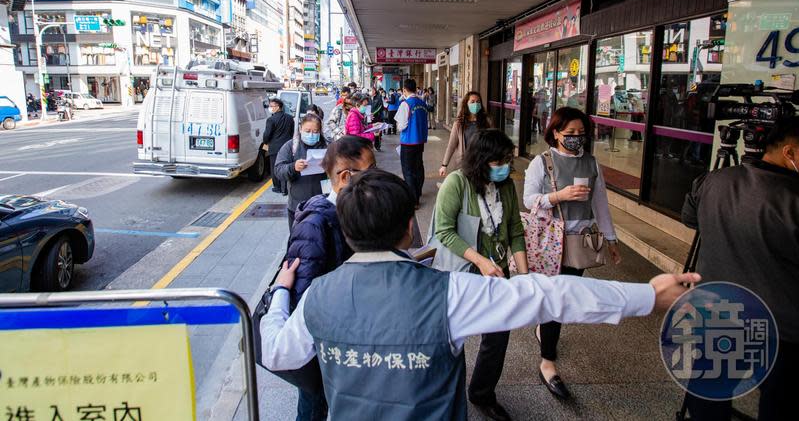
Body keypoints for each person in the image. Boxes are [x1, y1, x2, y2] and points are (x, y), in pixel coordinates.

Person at [261, 169, 701, 420]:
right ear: (408, 228)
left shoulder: (317, 296)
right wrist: (647, 296)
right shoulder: (449, 293)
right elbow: (549, 295)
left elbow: (278, 352)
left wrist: (282, 295)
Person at [681, 115, 799, 421]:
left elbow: (690, 218)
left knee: (709, 390)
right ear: (790, 152)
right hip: (782, 327)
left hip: (718, 310)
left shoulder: (714, 180)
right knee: (780, 402)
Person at [522, 106, 621, 399]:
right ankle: (548, 362)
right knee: (557, 301)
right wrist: (558, 196)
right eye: (570, 134)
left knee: (562, 300)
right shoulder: (543, 163)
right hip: (551, 241)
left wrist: (611, 240)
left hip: (580, 244)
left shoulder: (592, 164)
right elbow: (529, 200)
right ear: (555, 133)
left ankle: (545, 331)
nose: (576, 138)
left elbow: (600, 204)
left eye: (581, 134)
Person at [435, 129, 528, 420]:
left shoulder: (507, 187)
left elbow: (515, 230)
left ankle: (482, 393)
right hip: (462, 272)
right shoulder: (457, 183)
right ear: (480, 159)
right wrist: (480, 261)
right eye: (497, 161)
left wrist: (524, 276)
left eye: (507, 161)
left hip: (498, 275)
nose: (504, 167)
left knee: (498, 337)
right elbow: (444, 231)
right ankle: (445, 394)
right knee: (453, 337)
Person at [283, 135, 376, 421]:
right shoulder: (316, 223)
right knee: (313, 407)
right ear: (346, 176)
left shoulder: (354, 211)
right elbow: (304, 297)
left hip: (348, 333)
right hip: (322, 344)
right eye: (370, 170)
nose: (376, 177)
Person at [274, 114, 328, 231]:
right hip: (297, 206)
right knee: (298, 239)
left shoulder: (328, 146)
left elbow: (340, 170)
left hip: (322, 204)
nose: (311, 134)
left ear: (320, 131)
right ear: (300, 129)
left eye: (315, 131)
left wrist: (330, 165)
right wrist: (294, 167)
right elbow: (278, 170)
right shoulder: (291, 146)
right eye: (308, 131)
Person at [440, 91, 491, 177]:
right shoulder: (459, 124)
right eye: (472, 102)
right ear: (466, 104)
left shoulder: (487, 122)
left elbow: (491, 144)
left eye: (478, 102)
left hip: (482, 163)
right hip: (464, 164)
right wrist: (444, 165)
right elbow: (451, 145)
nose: (476, 104)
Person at [395, 79, 428, 208]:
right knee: (418, 167)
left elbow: (401, 126)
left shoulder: (405, 104)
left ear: (404, 90)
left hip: (408, 142)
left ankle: (413, 200)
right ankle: (418, 192)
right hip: (420, 141)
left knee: (408, 170)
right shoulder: (422, 103)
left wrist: (398, 126)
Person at [263, 98, 295, 195]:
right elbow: (292, 132)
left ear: (278, 107)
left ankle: (277, 187)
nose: (270, 108)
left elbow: (266, 135)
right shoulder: (290, 118)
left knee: (275, 168)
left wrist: (265, 142)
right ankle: (285, 188)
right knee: (285, 166)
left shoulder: (271, 120)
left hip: (274, 148)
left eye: (272, 106)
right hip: (287, 146)